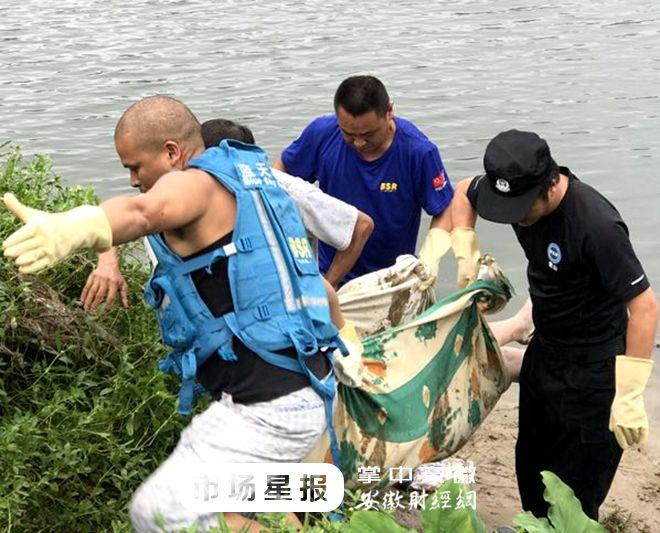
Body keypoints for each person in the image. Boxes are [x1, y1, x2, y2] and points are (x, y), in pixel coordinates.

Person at [1, 96, 361, 532]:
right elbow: (316, 286)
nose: (133, 180)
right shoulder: (251, 186)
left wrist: (79, 226)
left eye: (135, 167)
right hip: (294, 389)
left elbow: (142, 211)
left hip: (270, 407)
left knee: (158, 511)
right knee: (234, 506)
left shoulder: (194, 185)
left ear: (172, 153)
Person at [450, 129, 657, 520]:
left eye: (521, 209)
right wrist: (465, 247)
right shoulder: (513, 196)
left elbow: (645, 307)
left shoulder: (596, 226)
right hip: (545, 353)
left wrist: (629, 396)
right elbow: (463, 191)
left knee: (575, 495)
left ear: (548, 186)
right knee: (531, 466)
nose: (517, 220)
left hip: (594, 372)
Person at [81, 119, 374, 312]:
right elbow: (129, 212)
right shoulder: (176, 194)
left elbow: (358, 226)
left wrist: (322, 288)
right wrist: (107, 262)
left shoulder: (273, 187)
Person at [274, 75, 476, 288]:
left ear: (389, 112)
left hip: (393, 279)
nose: (359, 142)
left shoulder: (418, 152)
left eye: (369, 134)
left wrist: (430, 259)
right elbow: (282, 172)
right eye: (348, 134)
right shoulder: (321, 133)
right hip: (332, 274)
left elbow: (443, 209)